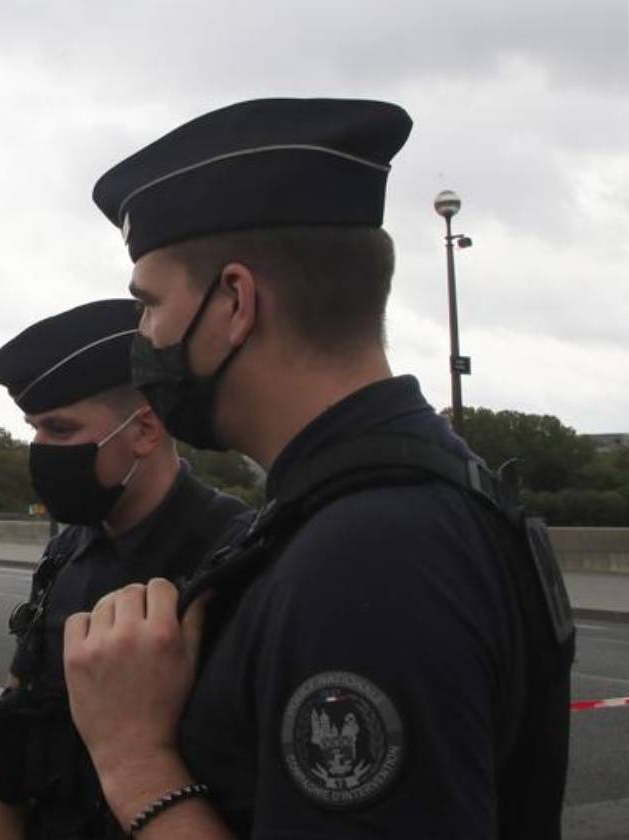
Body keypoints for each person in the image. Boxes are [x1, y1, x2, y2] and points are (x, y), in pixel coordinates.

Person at [61, 97, 575, 838]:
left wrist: (134, 758)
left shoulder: (372, 555)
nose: (143, 339)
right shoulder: (392, 504)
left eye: (149, 305)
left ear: (235, 301)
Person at [0, 300, 249, 840]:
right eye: (33, 429)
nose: (39, 450)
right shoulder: (67, 554)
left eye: (59, 429)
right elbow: (9, 740)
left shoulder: (231, 559)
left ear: (144, 430)